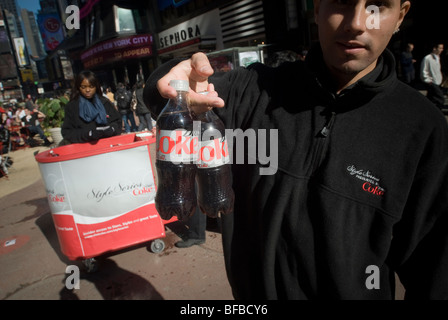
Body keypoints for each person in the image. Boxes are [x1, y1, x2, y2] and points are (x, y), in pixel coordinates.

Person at [145, 0, 448, 300]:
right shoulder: (253, 91)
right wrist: (176, 81)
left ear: (400, 16)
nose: (357, 22)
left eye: (376, 6)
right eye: (342, 1)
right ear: (317, 8)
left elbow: (434, 274)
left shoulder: (422, 129)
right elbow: (166, 96)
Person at [61, 70, 122, 144]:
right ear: (78, 87)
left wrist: (112, 129)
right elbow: (67, 132)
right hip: (85, 149)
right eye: (83, 87)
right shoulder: (72, 107)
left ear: (96, 86)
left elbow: (117, 122)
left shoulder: (105, 102)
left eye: (91, 86)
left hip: (107, 145)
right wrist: (88, 134)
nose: (87, 90)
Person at [420, 43, 445, 109]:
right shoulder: (427, 58)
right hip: (431, 82)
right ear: (434, 48)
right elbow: (424, 70)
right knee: (440, 98)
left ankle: (427, 112)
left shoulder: (437, 58)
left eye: (442, 48)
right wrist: (428, 80)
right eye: (440, 48)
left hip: (437, 81)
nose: (441, 50)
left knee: (431, 99)